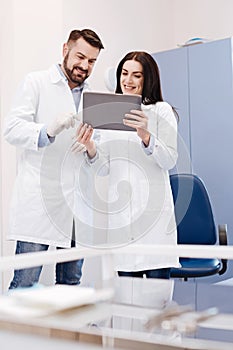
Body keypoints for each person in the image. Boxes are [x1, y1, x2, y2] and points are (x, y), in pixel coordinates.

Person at [4, 29, 105, 289]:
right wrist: (47, 130)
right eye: (80, 57)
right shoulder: (36, 82)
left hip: (75, 205)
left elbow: (100, 157)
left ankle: (68, 332)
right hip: (40, 200)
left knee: (70, 284)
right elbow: (11, 129)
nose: (84, 65)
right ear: (65, 50)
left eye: (92, 61)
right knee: (24, 283)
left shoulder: (94, 98)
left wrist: (91, 147)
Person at [76, 51, 180, 278]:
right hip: (122, 218)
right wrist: (90, 146)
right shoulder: (108, 113)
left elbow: (169, 160)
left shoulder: (161, 111)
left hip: (155, 222)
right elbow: (103, 169)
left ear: (147, 79)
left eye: (136, 75)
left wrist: (145, 135)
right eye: (124, 73)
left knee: (157, 300)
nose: (128, 81)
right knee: (127, 301)